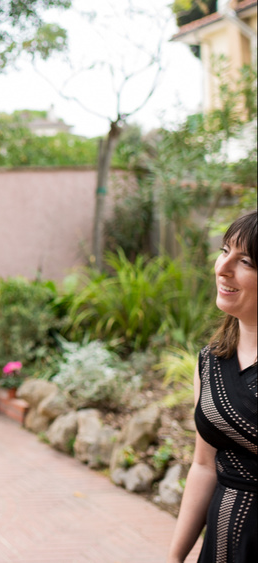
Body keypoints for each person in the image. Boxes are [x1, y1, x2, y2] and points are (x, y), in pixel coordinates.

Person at [167, 210, 257, 563]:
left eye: (245, 261)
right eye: (224, 251)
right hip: (219, 550)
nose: (223, 268)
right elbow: (204, 466)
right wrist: (175, 557)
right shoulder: (211, 362)